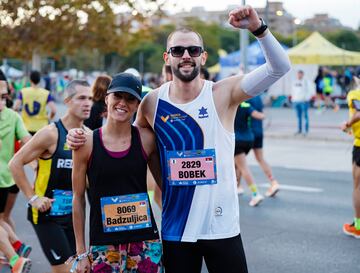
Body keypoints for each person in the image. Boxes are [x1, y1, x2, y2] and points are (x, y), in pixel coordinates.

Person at [67, 5, 290, 273]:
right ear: (167, 57)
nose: (186, 56)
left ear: (203, 57)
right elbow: (127, 139)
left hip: (221, 227)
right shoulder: (152, 102)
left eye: (193, 50)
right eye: (178, 50)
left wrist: (259, 28)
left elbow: (279, 68)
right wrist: (82, 136)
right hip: (177, 229)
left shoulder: (223, 93)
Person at [71, 73, 163, 273]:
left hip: (145, 243)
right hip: (104, 245)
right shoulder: (85, 143)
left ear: (138, 105)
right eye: (118, 96)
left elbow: (165, 188)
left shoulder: (147, 140)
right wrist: (80, 252)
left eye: (130, 99)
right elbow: (78, 198)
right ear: (106, 98)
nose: (123, 103)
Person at [9, 80, 93, 273]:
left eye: (90, 98)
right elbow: (15, 164)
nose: (87, 103)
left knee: (78, 269)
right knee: (64, 270)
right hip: (46, 216)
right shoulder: (51, 134)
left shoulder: (89, 136)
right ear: (67, 101)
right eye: (81, 98)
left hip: (72, 217)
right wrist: (33, 198)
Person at [0, 76, 33, 273]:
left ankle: (14, 259)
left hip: (4, 178)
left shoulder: (12, 116)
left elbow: (29, 142)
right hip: (9, 178)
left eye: (4, 97)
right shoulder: (13, 116)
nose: (2, 102)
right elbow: (28, 142)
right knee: (3, 217)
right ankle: (17, 245)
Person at [248, 95, 280, 197]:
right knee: (260, 158)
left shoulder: (245, 96)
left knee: (239, 161)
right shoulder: (258, 97)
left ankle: (239, 187)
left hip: (247, 132)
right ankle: (273, 182)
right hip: (259, 131)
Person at [234, 101, 265, 206]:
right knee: (236, 165)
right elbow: (258, 115)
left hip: (237, 140)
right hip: (249, 140)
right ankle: (237, 188)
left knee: (243, 167)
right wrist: (264, 115)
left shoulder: (230, 104)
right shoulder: (245, 105)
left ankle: (255, 194)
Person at [341, 76, 360, 239]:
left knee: (358, 186)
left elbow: (359, 112)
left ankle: (358, 226)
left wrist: (347, 124)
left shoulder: (354, 94)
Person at [13, 70, 57, 135]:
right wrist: (49, 118)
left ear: (30, 80)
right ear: (39, 80)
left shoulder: (23, 92)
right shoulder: (46, 93)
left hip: (26, 126)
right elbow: (54, 110)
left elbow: (15, 107)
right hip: (41, 127)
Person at [291, 70, 313, 136]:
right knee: (298, 117)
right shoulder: (294, 82)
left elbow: (310, 91)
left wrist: (306, 99)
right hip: (296, 101)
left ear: (302, 75)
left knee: (305, 116)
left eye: (300, 74)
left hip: (303, 102)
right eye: (298, 74)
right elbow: (293, 91)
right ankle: (299, 130)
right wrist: (293, 99)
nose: (299, 75)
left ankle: (305, 131)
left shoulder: (306, 82)